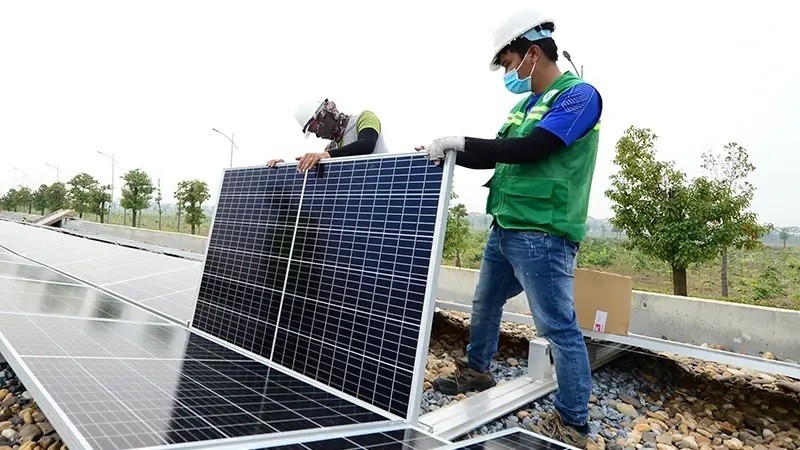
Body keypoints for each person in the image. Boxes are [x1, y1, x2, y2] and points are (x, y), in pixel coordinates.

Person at [417, 8, 602, 448]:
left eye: (507, 62)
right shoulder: (525, 105)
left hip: (544, 232)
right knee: (484, 302)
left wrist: (464, 142)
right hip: (506, 225)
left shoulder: (578, 96)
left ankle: (573, 423)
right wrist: (448, 151)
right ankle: (478, 371)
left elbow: (536, 148)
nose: (507, 72)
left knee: (558, 327)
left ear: (532, 53)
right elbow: (501, 152)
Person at [268, 98, 389, 172]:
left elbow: (367, 144)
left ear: (325, 114)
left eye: (316, 128)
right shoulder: (331, 148)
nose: (318, 135)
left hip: (386, 190)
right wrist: (284, 169)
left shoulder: (364, 118)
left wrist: (327, 155)